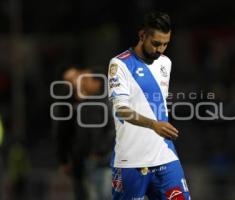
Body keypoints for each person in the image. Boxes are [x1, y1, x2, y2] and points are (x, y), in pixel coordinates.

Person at [108, 11, 191, 199]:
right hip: (131, 162)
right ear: (142, 35)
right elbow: (121, 110)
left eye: (165, 44)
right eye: (156, 43)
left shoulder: (165, 63)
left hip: (165, 156)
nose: (160, 49)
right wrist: (153, 125)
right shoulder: (120, 64)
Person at [54, 65, 114, 200]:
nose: (77, 82)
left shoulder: (103, 100)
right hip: (79, 161)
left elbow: (112, 130)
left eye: (80, 79)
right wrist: (63, 159)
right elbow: (62, 133)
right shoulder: (68, 104)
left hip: (99, 161)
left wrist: (99, 152)